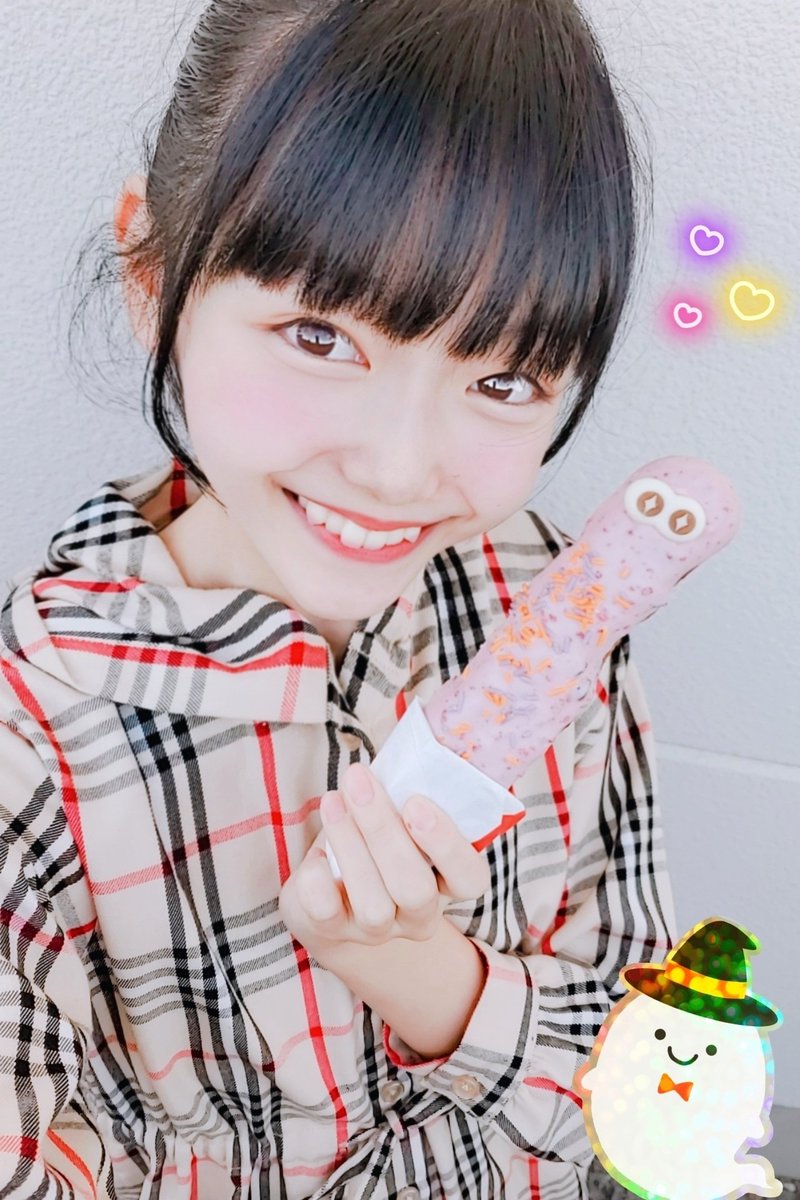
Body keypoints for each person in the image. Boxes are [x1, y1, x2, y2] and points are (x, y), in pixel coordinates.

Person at [0, 0, 678, 1196]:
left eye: (503, 378)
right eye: (317, 336)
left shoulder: (545, 600)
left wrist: (423, 974)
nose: (400, 470)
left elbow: (663, 1090)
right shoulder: (33, 738)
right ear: (152, 277)